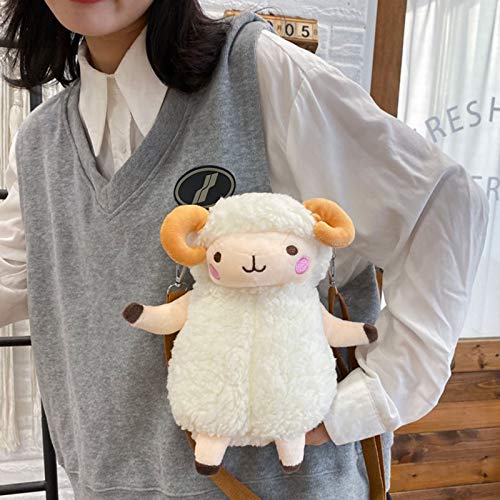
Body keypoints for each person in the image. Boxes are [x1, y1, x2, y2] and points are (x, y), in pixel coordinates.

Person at [0, 1, 489, 499]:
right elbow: (12, 275)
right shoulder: (40, 143)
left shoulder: (257, 73)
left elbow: (443, 204)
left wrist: (364, 401)